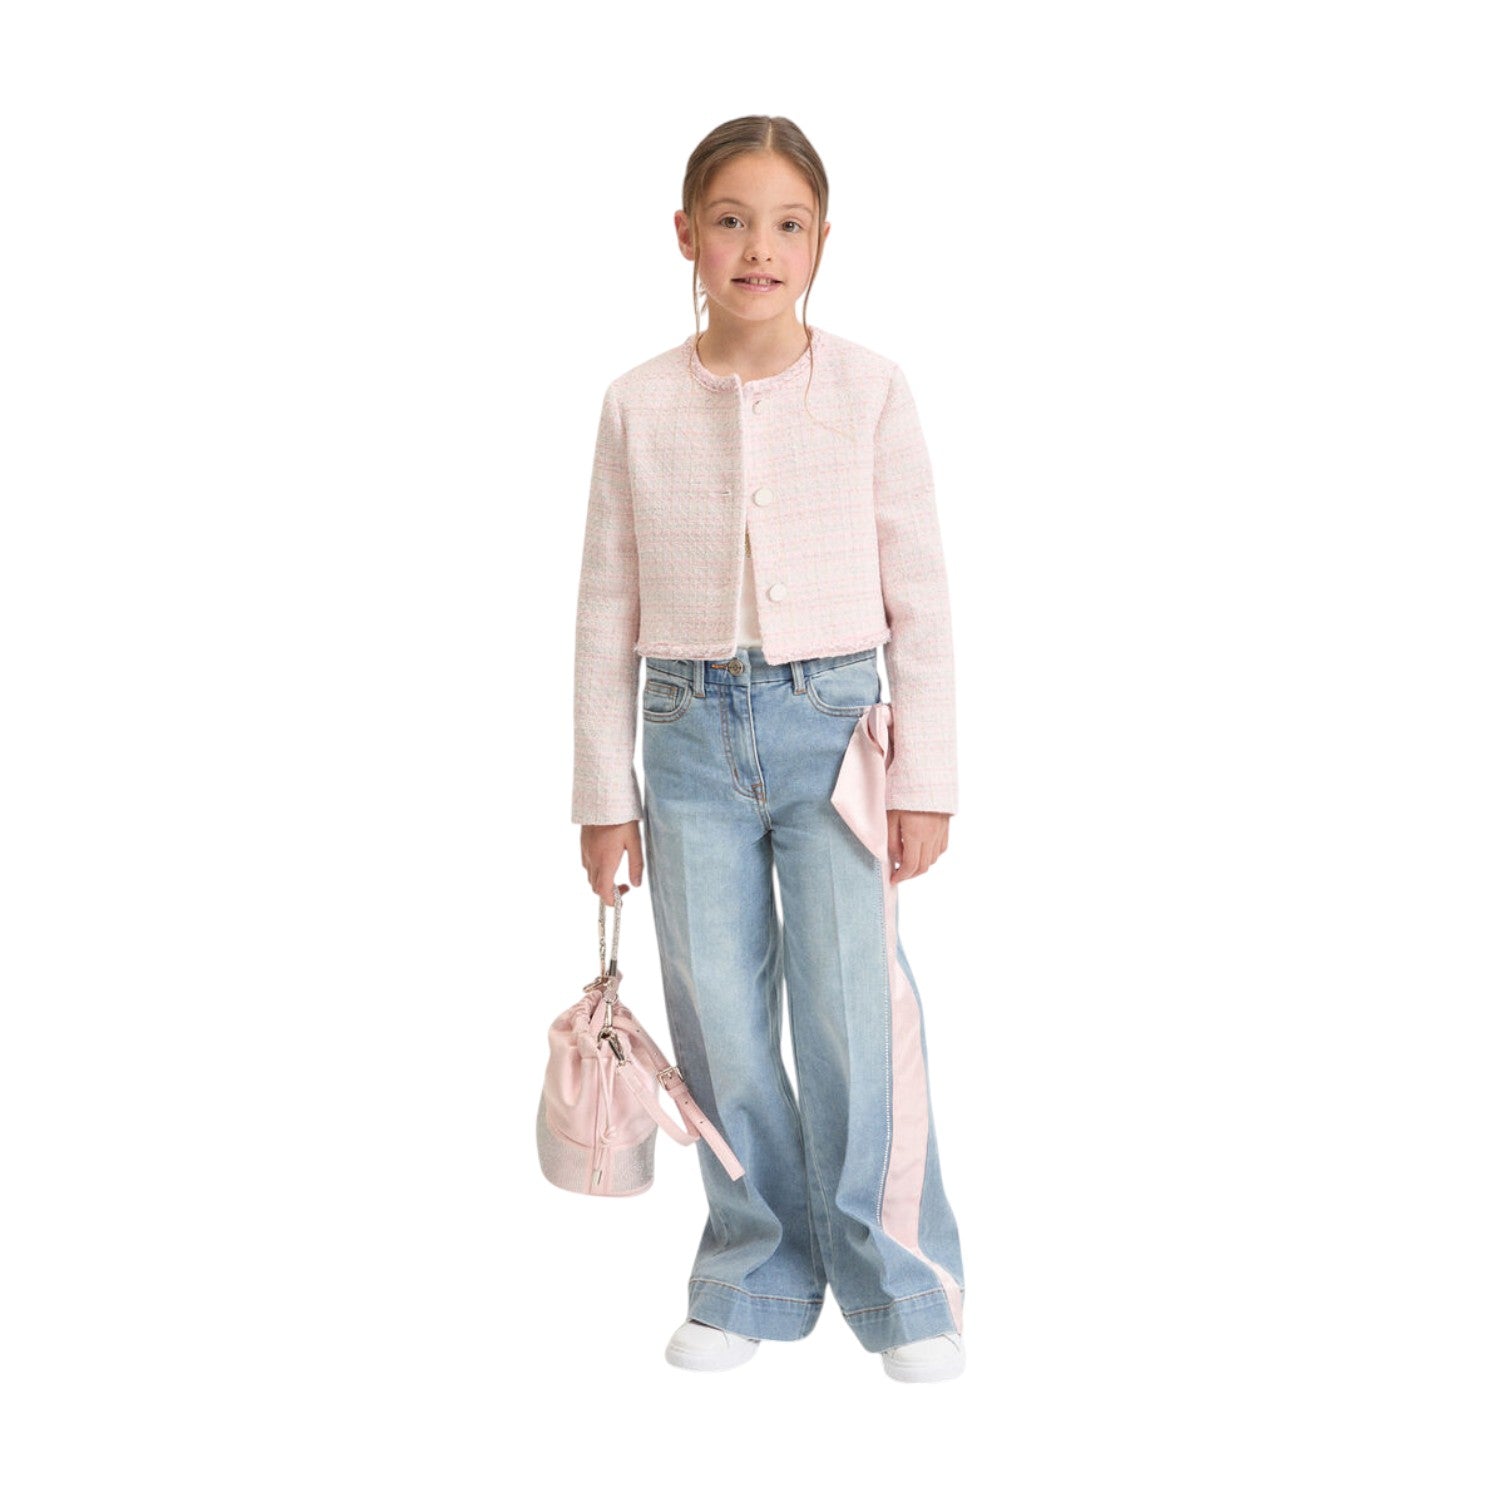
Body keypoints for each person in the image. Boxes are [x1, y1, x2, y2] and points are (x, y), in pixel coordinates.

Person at [570, 115, 965, 1383]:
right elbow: (605, 606)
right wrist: (603, 794)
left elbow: (921, 596)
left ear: (823, 241)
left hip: (837, 732)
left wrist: (929, 780)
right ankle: (754, 1274)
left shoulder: (870, 389)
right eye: (732, 221)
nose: (759, 247)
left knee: (857, 1014)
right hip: (684, 738)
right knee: (722, 1022)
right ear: (686, 235)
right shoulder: (637, 403)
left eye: (787, 224)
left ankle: (902, 1287)